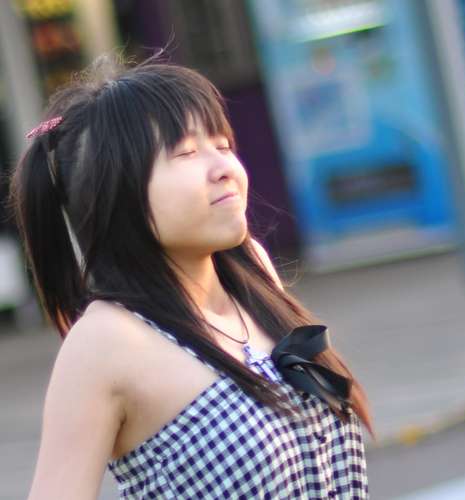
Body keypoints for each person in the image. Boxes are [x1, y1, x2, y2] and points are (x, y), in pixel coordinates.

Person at [10, 50, 374, 499]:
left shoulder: (252, 273)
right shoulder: (106, 341)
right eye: (186, 152)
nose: (224, 169)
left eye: (223, 146)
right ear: (117, 193)